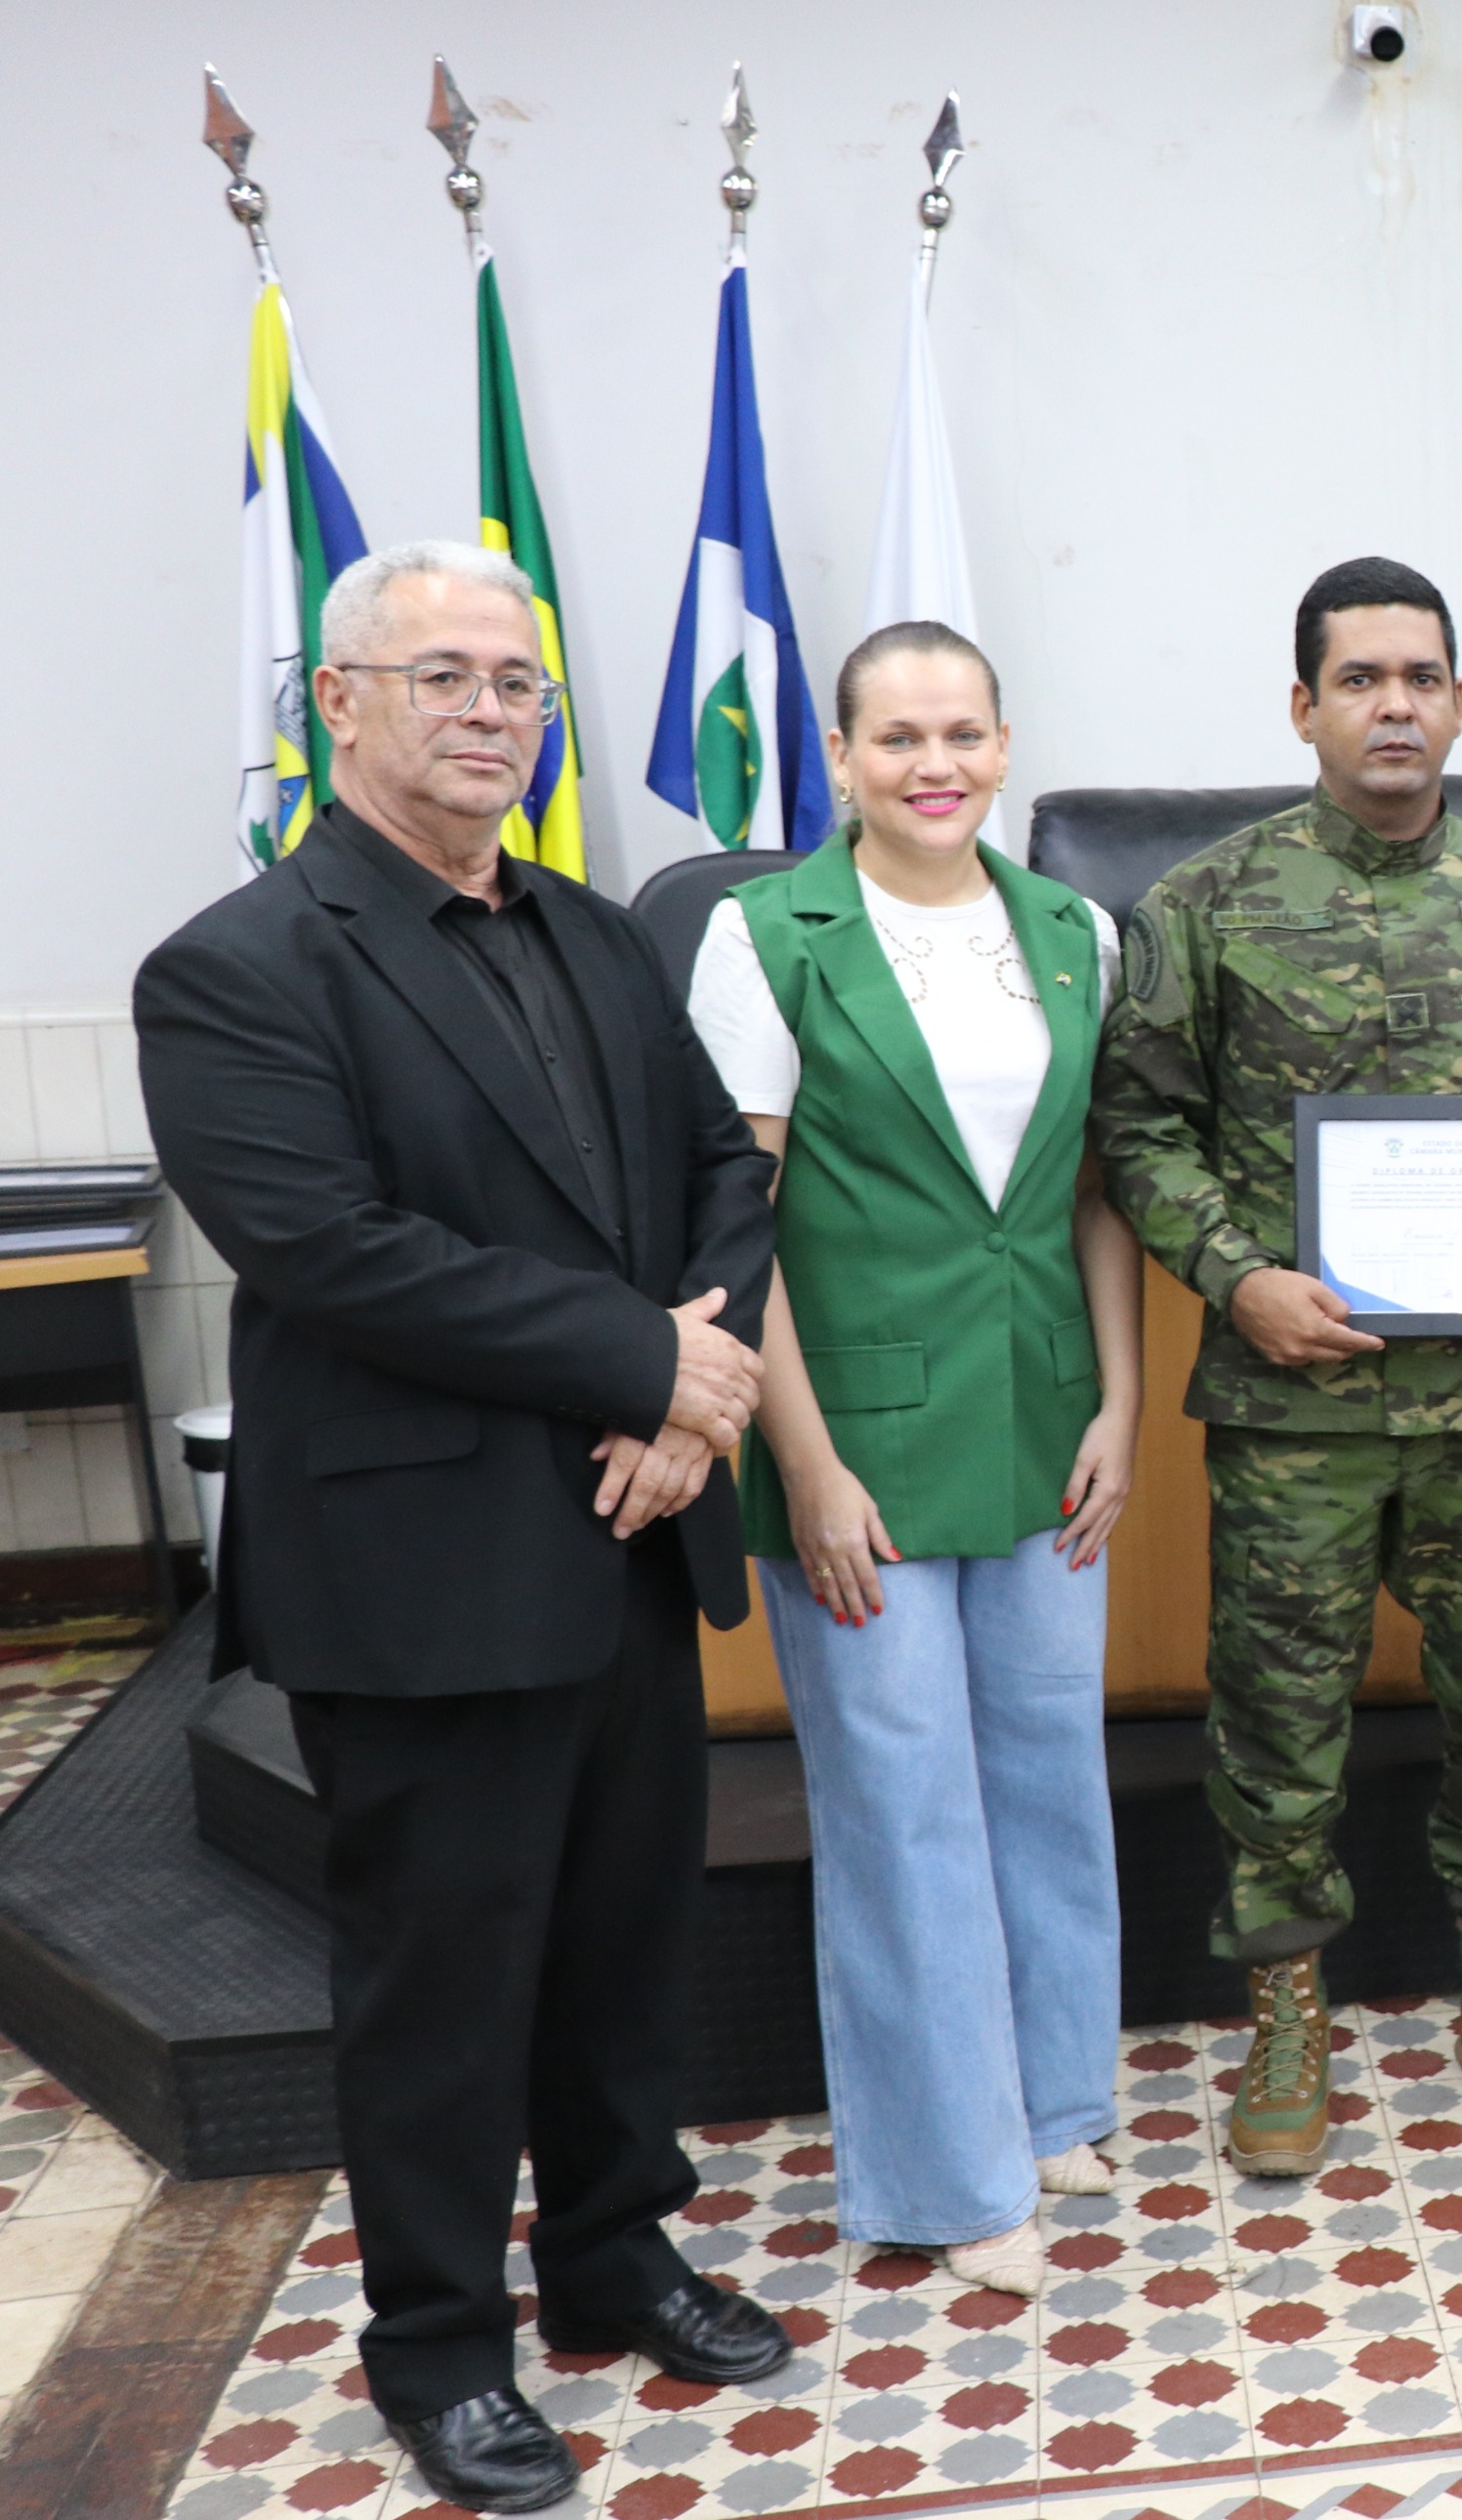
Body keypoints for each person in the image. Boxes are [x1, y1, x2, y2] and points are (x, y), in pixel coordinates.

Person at [135, 545, 787, 2513]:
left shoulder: (599, 932)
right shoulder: (237, 965)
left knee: (618, 1938)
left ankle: (611, 2254)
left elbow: (718, 1180)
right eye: (446, 676)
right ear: (339, 703)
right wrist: (644, 1369)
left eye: (520, 681)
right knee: (440, 1981)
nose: (493, 711)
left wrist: (691, 1400)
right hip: (421, 1569)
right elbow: (336, 1254)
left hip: (625, 1525)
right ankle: (436, 2344)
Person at [1096, 557, 1462, 2176]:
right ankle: (1285, 2019)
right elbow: (1135, 1126)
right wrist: (1237, 1276)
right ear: (1304, 706)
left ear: (1458, 704)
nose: (1393, 703)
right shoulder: (1202, 907)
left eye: (1422, 676)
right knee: (1277, 1723)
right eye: (1361, 678)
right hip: (1295, 1409)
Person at [685, 622, 1141, 2297]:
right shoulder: (765, 933)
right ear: (843, 753)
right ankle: (947, 2176)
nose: (932, 763)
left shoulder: (1074, 927)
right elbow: (742, 1230)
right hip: (853, 1438)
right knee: (901, 1804)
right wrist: (795, 1462)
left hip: (1045, 1420)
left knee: (1043, 1769)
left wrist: (1123, 1403)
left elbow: (1097, 1190)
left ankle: (1058, 2099)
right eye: (896, 737)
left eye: (960, 732)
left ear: (1006, 746)